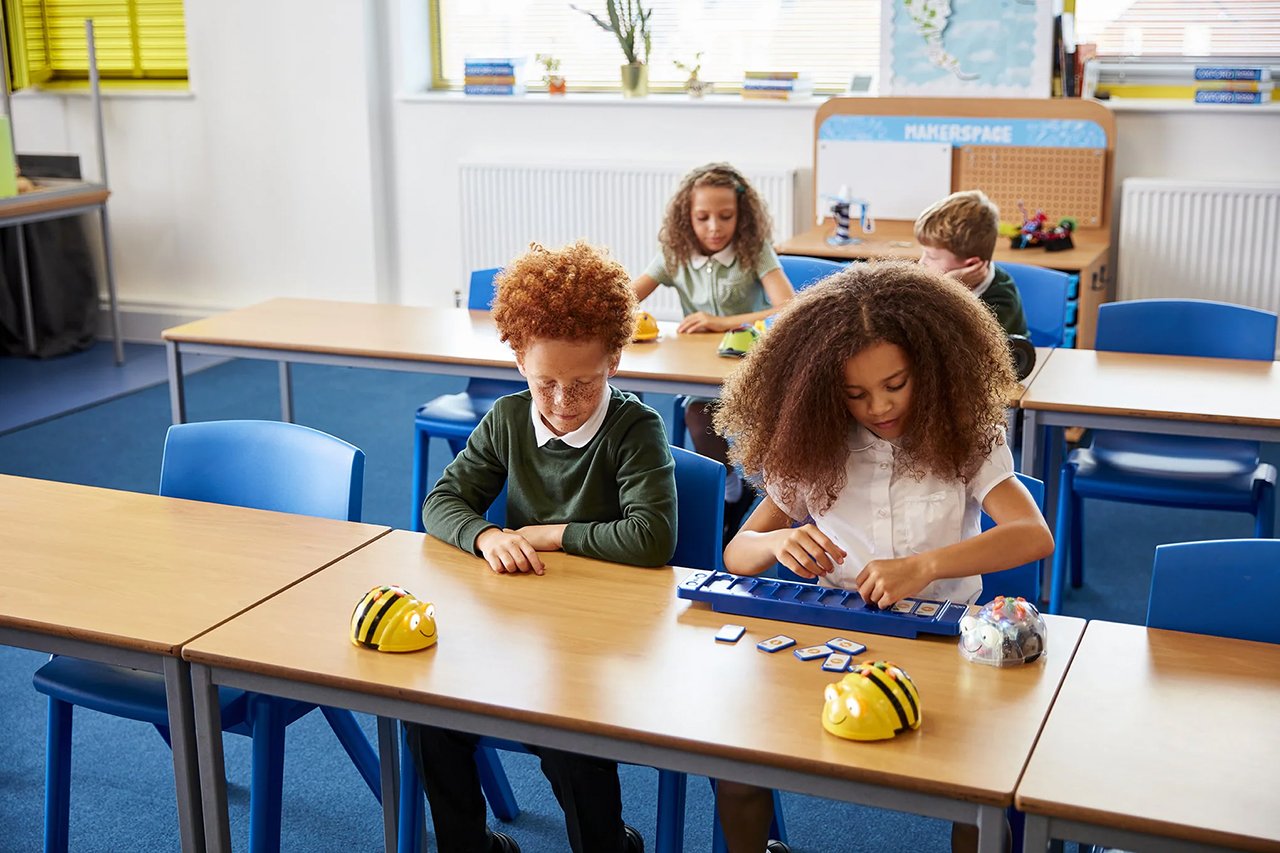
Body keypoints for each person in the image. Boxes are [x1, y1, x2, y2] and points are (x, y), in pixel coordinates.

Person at [711, 261, 1054, 853]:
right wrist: (776, 542)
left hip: (945, 642)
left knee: (980, 795)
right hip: (836, 632)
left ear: (930, 364)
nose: (878, 407)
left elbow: (1032, 534)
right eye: (856, 394)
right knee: (735, 769)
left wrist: (926, 566)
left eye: (896, 384)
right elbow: (737, 554)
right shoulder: (813, 440)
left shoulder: (966, 432)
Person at [410, 241, 677, 853]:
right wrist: (486, 534)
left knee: (567, 740)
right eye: (544, 382)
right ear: (517, 360)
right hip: (528, 623)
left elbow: (651, 537)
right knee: (431, 716)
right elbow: (440, 503)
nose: (561, 403)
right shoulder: (507, 419)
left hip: (609, 635)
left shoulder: (636, 429)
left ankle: (607, 843)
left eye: (583, 383)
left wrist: (550, 534)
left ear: (615, 358)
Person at [631, 162, 796, 537]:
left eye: (725, 217)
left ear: (743, 216)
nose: (714, 227)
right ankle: (727, 492)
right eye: (702, 217)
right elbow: (627, 296)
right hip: (700, 368)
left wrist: (722, 322)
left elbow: (789, 306)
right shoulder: (674, 254)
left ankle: (774, 499)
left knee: (769, 422)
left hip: (754, 363)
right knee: (697, 411)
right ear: (686, 217)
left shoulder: (755, 251)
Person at [915, 189, 1029, 338]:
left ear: (970, 265)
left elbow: (952, 342)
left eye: (932, 256)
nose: (921, 262)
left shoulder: (1003, 301)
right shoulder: (932, 278)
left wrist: (949, 289)